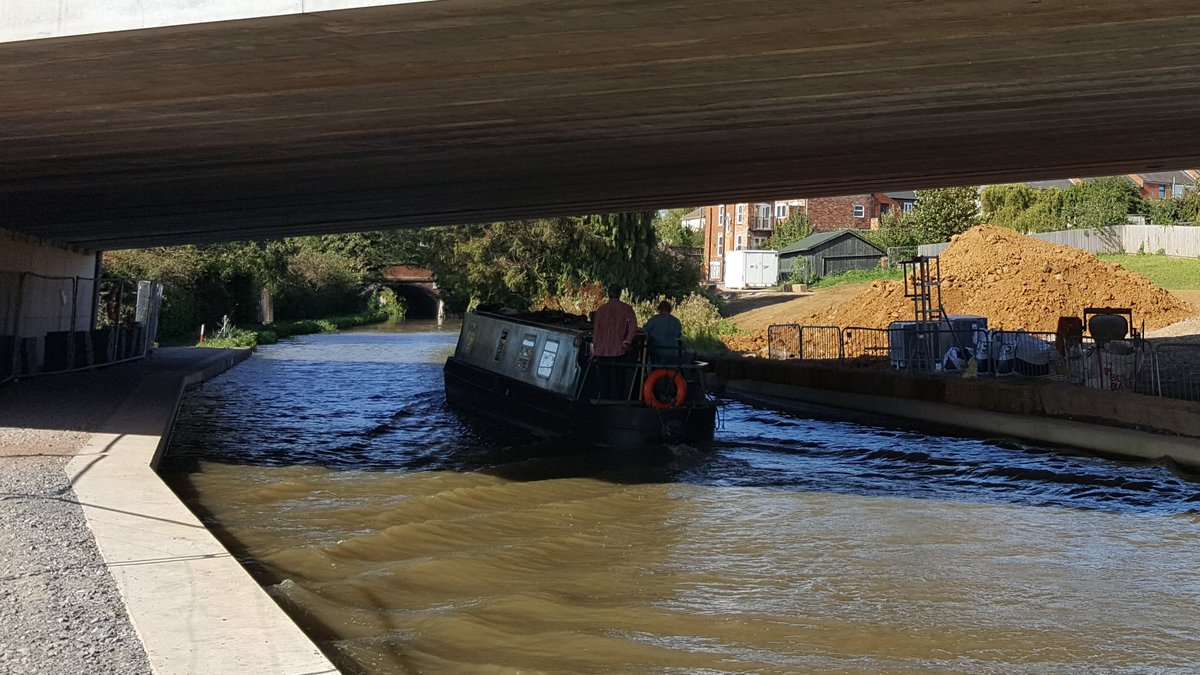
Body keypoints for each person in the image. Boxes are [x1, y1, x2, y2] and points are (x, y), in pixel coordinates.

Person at [591, 284, 638, 398]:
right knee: (619, 377)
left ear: (608, 293)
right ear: (620, 294)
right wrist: (627, 341)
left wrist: (595, 347)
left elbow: (597, 330)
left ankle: (604, 400)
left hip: (602, 349)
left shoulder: (601, 310)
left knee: (604, 378)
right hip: (619, 349)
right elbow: (633, 326)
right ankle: (618, 400)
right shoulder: (627, 308)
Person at [643, 300, 683, 364]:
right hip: (674, 352)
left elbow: (644, 331)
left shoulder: (654, 319)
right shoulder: (676, 321)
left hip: (658, 352)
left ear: (659, 309)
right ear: (669, 309)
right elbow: (678, 335)